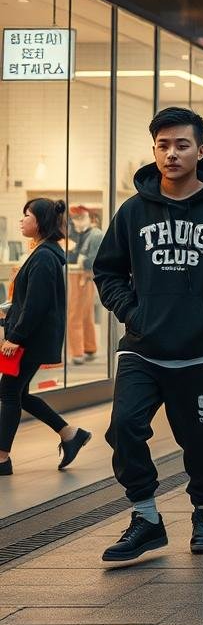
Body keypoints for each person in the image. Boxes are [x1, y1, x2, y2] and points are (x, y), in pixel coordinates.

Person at [94, 107, 203, 562]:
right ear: (154, 150)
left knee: (202, 444)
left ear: (200, 150)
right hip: (142, 350)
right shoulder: (132, 212)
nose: (172, 153)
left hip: (200, 354)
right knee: (124, 429)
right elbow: (107, 271)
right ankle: (145, 517)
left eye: (181, 144)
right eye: (163, 145)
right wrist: (132, 312)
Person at [0, 198, 91, 475]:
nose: (22, 220)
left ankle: (2, 458)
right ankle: (70, 434)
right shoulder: (45, 253)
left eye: (26, 215)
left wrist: (14, 337)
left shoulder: (43, 257)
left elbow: (36, 305)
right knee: (19, 393)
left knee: (8, 392)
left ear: (39, 222)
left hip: (29, 341)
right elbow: (29, 300)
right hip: (31, 338)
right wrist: (8, 311)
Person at [66, 205, 103, 365]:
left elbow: (93, 260)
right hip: (80, 276)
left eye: (81, 218)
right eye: (75, 219)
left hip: (81, 277)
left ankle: (77, 353)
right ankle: (89, 348)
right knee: (85, 315)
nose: (77, 222)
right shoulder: (78, 234)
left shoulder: (95, 234)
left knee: (75, 315)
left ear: (90, 218)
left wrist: (80, 259)